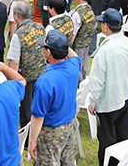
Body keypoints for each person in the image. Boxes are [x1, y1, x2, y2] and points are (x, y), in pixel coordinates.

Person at [88, 9, 128, 166]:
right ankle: (123, 161)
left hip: (109, 101)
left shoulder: (104, 51)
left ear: (105, 26)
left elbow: (97, 82)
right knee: (123, 132)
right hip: (125, 95)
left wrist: (92, 102)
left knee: (107, 137)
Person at [28, 30, 81, 166]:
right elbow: (74, 56)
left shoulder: (45, 81)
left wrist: (32, 141)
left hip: (52, 134)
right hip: (70, 127)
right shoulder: (74, 66)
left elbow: (38, 117)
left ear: (48, 52)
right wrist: (62, 45)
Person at [6, 1, 46, 128]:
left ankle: (28, 137)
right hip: (41, 74)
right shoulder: (40, 27)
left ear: (16, 16)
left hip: (26, 80)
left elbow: (15, 62)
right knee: (40, 106)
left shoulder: (17, 36)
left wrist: (13, 84)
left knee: (27, 110)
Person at [70, 0, 96, 82]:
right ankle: (84, 83)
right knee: (84, 65)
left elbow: (73, 33)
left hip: (78, 45)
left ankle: (79, 87)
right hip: (87, 43)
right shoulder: (89, 9)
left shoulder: (77, 13)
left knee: (77, 67)